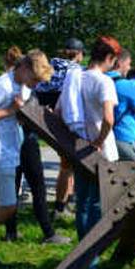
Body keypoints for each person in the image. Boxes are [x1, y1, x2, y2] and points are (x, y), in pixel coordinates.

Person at [0, 50, 59, 269]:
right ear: (25, 68)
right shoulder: (3, 85)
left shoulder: (20, 84)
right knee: (8, 206)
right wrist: (11, 110)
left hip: (9, 149)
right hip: (0, 152)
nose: (36, 84)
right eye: (35, 79)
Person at [4, 47, 71, 245]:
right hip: (24, 141)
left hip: (17, 140)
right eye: (36, 80)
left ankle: (11, 232)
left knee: (14, 187)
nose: (36, 84)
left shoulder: (15, 82)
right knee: (37, 187)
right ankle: (48, 234)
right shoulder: (15, 85)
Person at [75, 36, 120, 249]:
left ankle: (81, 250)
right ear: (109, 57)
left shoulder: (77, 78)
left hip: (78, 147)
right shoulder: (104, 81)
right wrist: (99, 141)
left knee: (81, 203)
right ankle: (89, 257)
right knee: (96, 204)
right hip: (100, 149)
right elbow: (109, 119)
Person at [47, 39, 86, 219]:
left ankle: (64, 203)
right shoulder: (76, 71)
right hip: (68, 122)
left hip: (46, 121)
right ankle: (61, 206)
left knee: (66, 166)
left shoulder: (50, 67)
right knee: (69, 167)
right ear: (79, 54)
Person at [106, 49, 135, 162]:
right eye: (128, 64)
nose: (129, 68)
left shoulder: (100, 80)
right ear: (120, 63)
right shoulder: (128, 85)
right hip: (125, 137)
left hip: (105, 138)